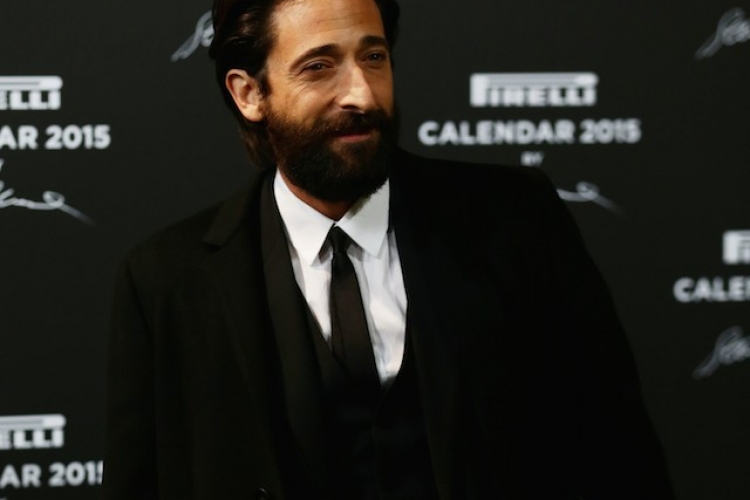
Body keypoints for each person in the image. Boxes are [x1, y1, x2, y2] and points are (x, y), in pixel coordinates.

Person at [103, 0, 675, 498]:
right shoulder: (165, 280)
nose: (361, 92)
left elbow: (618, 452)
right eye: (319, 66)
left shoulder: (515, 222)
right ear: (249, 93)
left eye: (373, 57)